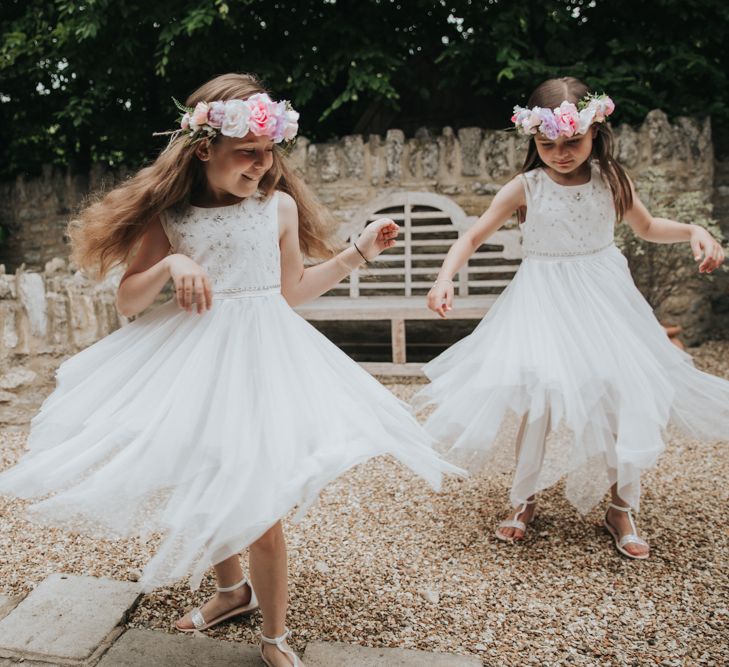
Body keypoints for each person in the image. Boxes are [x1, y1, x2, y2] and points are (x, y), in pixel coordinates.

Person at [0, 73, 462, 667]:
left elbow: (291, 291)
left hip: (265, 361)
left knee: (259, 504)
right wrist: (173, 262)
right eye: (248, 153)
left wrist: (359, 253)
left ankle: (273, 636)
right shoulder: (170, 215)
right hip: (195, 362)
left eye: (269, 154)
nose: (262, 167)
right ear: (204, 149)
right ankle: (231, 592)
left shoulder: (279, 207)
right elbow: (129, 301)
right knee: (210, 475)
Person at [414, 76, 727, 561]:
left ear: (594, 132)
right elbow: (472, 236)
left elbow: (646, 227)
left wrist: (693, 229)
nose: (560, 153)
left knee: (623, 395)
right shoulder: (526, 186)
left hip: (604, 299)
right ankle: (523, 500)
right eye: (547, 144)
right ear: (534, 140)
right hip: (542, 300)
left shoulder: (611, 179)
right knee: (539, 401)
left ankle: (622, 506)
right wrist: (444, 277)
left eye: (572, 142)